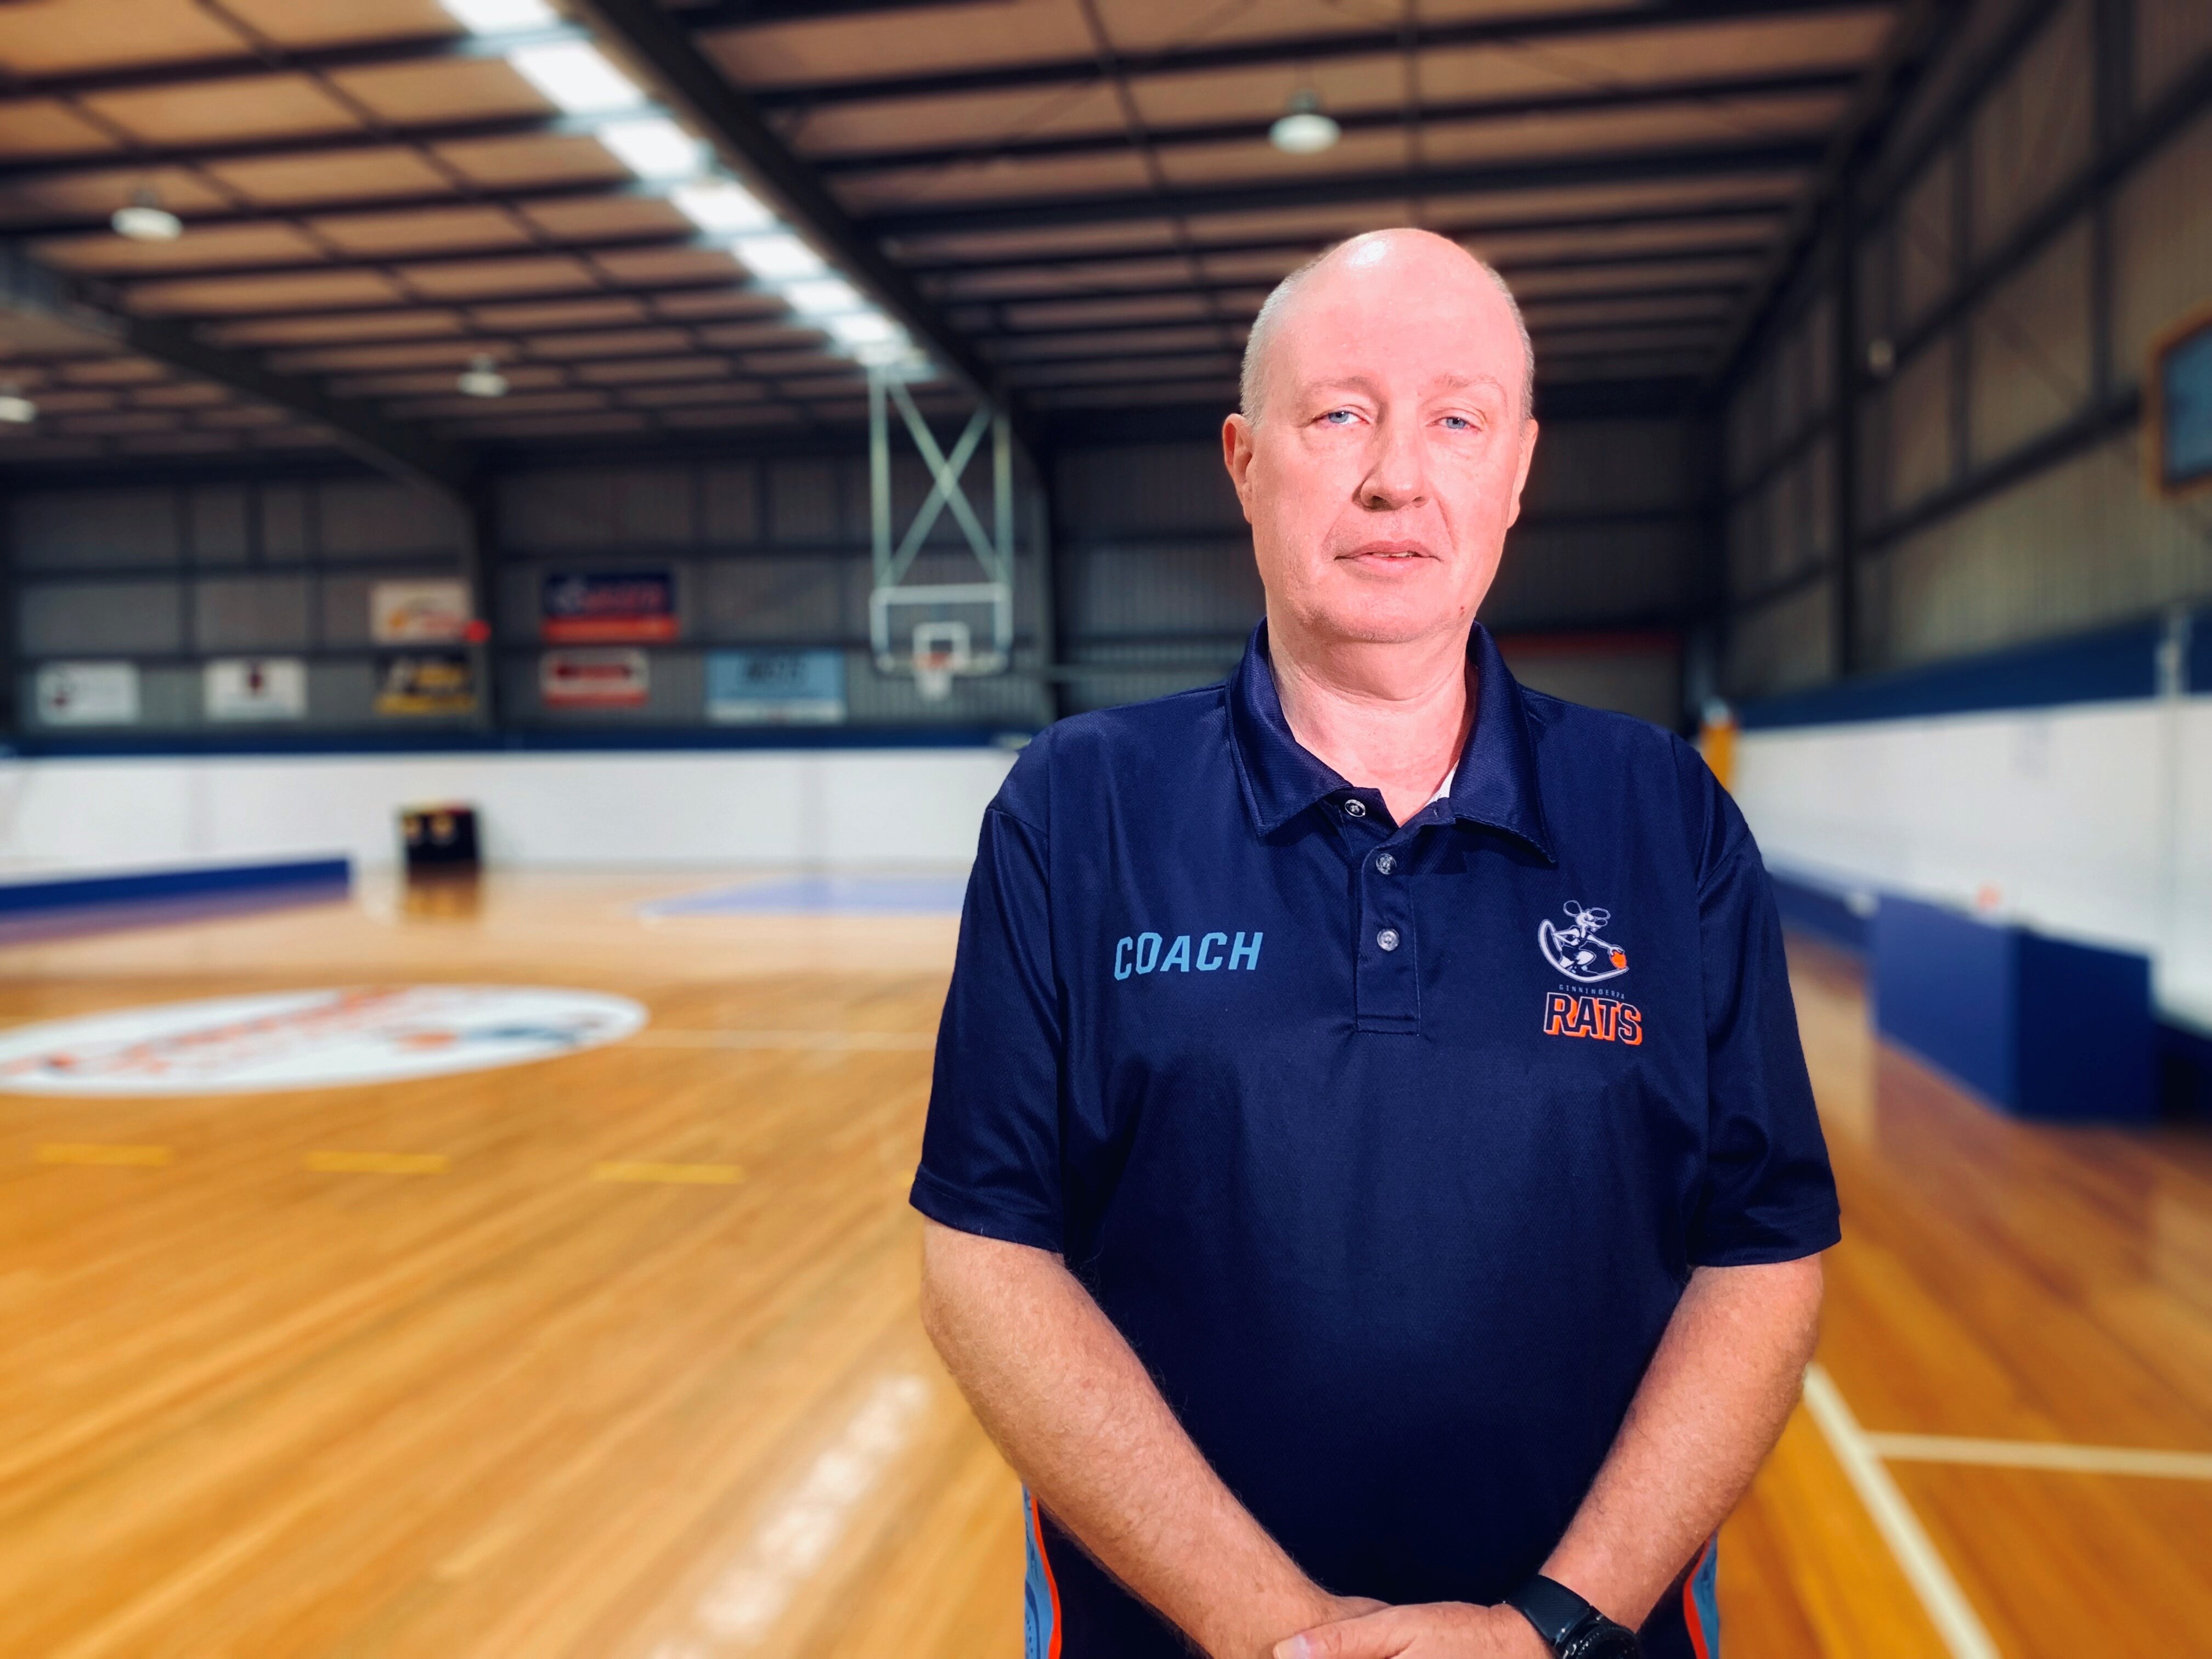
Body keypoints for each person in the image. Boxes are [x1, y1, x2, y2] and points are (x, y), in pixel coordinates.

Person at [910, 228, 1838, 1659]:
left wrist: (1550, 1627)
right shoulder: (1076, 807)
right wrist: (1278, 1632)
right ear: (1244, 461)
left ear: (1517, 471)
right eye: (1340, 414)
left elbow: (1760, 1257)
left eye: (1457, 421)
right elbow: (984, 1264)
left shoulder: (1668, 817)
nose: (1398, 475)